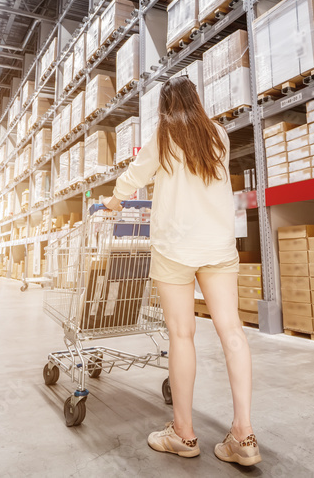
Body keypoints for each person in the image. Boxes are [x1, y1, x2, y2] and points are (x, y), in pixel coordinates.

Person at [103, 76, 260, 467]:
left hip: (175, 248)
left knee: (182, 334)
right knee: (232, 331)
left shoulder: (163, 135)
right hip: (218, 247)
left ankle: (184, 433)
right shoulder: (218, 135)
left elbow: (134, 177)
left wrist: (113, 201)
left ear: (165, 105)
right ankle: (243, 435)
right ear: (196, 100)